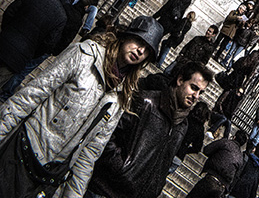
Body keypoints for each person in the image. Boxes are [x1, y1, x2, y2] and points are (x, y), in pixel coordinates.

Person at [0, 15, 159, 198]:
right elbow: (31, 95)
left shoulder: (122, 96)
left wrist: (74, 194)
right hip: (22, 149)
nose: (140, 51)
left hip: (49, 176)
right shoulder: (84, 55)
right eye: (139, 41)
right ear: (126, 35)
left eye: (147, 50)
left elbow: (90, 152)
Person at [85, 59, 213, 198]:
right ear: (180, 80)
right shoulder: (146, 102)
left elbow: (164, 164)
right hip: (107, 191)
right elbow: (108, 136)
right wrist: (123, 171)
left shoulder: (182, 125)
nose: (196, 96)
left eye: (201, 92)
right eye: (193, 88)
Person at [0, 0, 72, 100]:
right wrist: (31, 53)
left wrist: (6, 32)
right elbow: (48, 44)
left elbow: (10, 11)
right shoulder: (61, 17)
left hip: (4, 41)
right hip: (20, 57)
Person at [186, 126, 248, 197]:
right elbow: (236, 176)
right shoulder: (240, 158)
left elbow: (207, 150)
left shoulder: (225, 143)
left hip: (211, 178)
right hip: (222, 187)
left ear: (234, 137)